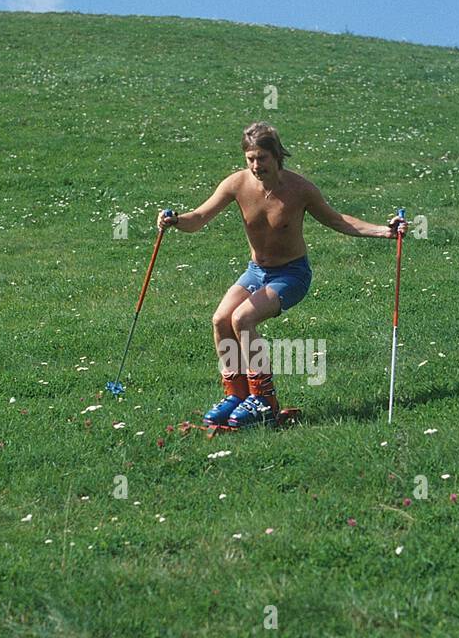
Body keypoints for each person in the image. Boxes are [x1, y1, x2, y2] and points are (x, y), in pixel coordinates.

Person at [158, 122, 406, 427]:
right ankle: (236, 395)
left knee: (242, 319)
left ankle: (264, 400)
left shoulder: (299, 189)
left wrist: (385, 231)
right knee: (221, 319)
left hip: (291, 275)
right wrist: (175, 220)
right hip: (256, 272)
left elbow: (338, 221)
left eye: (262, 158)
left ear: (277, 156)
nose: (255, 165)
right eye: (250, 158)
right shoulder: (237, 184)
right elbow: (198, 218)